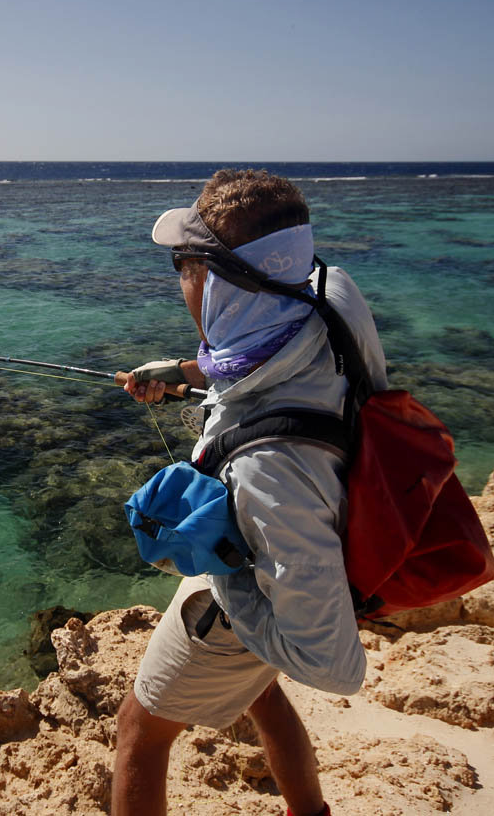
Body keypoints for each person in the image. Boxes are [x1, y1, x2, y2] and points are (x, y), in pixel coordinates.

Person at [113, 169, 388, 816]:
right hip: (315, 531)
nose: (181, 280)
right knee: (258, 690)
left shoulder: (269, 469)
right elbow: (265, 352)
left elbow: (334, 666)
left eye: (186, 266)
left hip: (249, 592)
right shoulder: (329, 292)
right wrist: (184, 372)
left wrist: (229, 587)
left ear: (220, 281)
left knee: (138, 735)